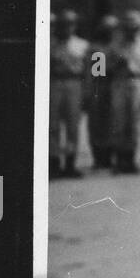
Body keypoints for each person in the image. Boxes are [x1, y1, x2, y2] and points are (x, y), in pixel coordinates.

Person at [110, 10, 140, 175]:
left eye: (135, 27)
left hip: (137, 82)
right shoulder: (114, 45)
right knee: (119, 121)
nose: (131, 30)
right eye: (128, 27)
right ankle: (120, 160)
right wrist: (115, 65)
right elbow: (99, 69)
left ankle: (131, 160)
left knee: (135, 123)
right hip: (119, 81)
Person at [49, 10, 89, 179]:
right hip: (55, 82)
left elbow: (92, 70)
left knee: (73, 125)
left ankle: (71, 163)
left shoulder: (83, 45)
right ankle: (54, 163)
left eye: (69, 24)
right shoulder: (48, 44)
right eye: (62, 25)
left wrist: (90, 90)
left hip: (75, 83)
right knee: (53, 125)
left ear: (74, 26)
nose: (66, 28)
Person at [86, 14, 119, 170]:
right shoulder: (96, 48)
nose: (110, 32)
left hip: (115, 87)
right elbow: (97, 72)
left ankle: (110, 156)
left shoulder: (118, 47)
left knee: (112, 122)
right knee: (97, 123)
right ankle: (99, 158)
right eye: (107, 30)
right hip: (100, 85)